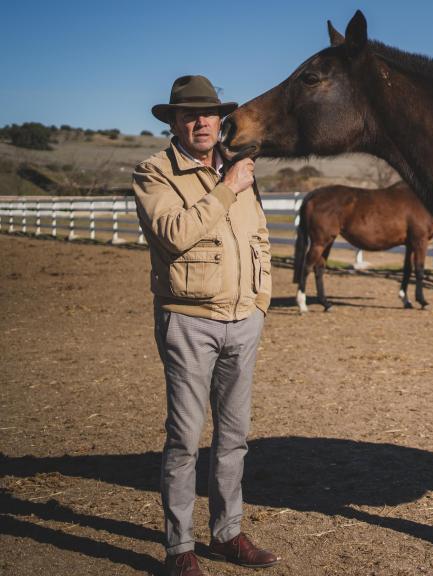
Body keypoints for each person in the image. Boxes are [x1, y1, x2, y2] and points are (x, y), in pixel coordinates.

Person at [134, 74, 278, 576]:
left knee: (234, 437)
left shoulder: (240, 169)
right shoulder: (154, 173)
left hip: (244, 321)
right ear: (173, 121)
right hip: (190, 322)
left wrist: (262, 298)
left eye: (209, 113)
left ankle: (228, 533)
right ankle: (180, 548)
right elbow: (173, 235)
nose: (201, 122)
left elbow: (257, 234)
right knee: (184, 438)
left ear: (221, 120)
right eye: (189, 114)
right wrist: (224, 188)